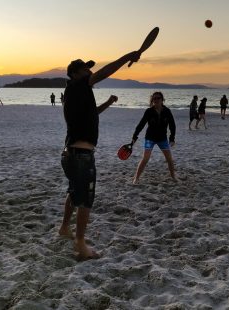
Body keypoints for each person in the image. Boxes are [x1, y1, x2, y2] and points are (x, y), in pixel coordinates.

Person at [59, 51, 141, 261]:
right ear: (76, 74)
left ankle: (64, 228)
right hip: (82, 156)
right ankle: (80, 243)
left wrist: (109, 102)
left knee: (73, 191)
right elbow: (106, 71)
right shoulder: (80, 85)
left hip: (70, 153)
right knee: (85, 200)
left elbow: (92, 113)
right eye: (86, 69)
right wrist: (128, 57)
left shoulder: (73, 92)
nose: (90, 71)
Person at [132, 91, 176, 184]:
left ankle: (173, 177)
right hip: (150, 138)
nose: (156, 100)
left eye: (158, 98)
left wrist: (172, 138)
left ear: (162, 100)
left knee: (169, 159)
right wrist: (135, 136)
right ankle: (136, 178)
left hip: (162, 139)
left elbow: (172, 125)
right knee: (145, 159)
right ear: (152, 100)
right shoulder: (149, 111)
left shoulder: (167, 111)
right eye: (154, 98)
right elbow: (141, 124)